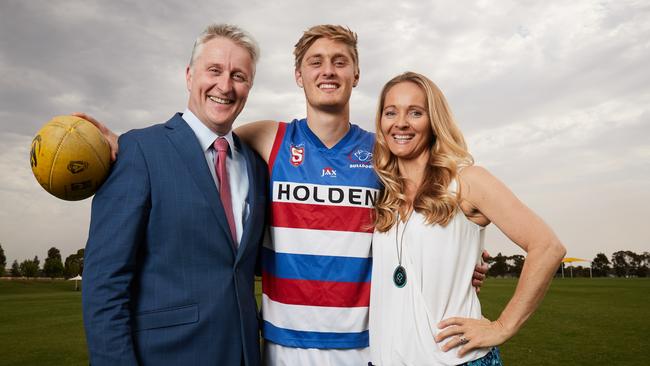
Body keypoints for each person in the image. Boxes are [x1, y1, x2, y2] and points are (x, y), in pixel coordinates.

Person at [80, 25, 488, 366]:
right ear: (298, 75)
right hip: (280, 350)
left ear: (357, 74)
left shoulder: (383, 156)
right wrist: (128, 145)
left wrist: (464, 257)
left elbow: (422, 216)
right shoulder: (266, 141)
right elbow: (198, 144)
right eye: (316, 62)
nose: (327, 71)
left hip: (364, 346)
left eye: (340, 61)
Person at [81, 24, 267, 366]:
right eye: (214, 70)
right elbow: (104, 284)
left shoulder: (255, 165)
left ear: (249, 87)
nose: (225, 86)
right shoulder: (139, 150)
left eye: (238, 76)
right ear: (189, 75)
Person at [369, 72, 566, 365]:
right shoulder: (384, 193)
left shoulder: (467, 181)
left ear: (434, 120)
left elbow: (547, 246)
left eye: (415, 112)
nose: (401, 123)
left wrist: (502, 326)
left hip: (456, 360)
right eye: (390, 112)